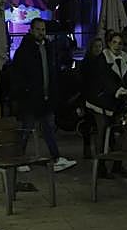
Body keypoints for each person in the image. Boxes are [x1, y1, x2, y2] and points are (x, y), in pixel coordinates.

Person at [10, 18, 77, 173]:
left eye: (43, 30)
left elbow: (50, 70)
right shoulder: (25, 50)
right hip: (31, 97)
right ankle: (20, 159)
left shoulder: (48, 47)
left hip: (44, 96)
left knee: (47, 128)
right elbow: (19, 73)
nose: (41, 33)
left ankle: (56, 158)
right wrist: (25, 91)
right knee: (28, 128)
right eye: (39, 30)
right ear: (32, 30)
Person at [86, 32, 127, 175]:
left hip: (118, 104)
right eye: (114, 42)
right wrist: (116, 90)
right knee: (102, 133)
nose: (117, 45)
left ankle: (117, 165)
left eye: (120, 43)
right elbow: (102, 80)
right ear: (109, 43)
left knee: (120, 133)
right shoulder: (102, 60)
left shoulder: (126, 59)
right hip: (101, 103)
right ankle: (100, 167)